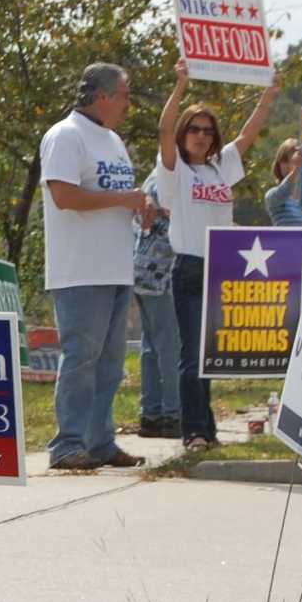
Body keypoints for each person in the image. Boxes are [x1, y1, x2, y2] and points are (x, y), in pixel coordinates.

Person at [156, 60, 280, 451]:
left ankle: (206, 430)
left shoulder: (219, 168)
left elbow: (248, 133)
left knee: (209, 357)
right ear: (184, 133)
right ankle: (192, 431)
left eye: (207, 131)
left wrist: (268, 94)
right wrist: (179, 85)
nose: (201, 135)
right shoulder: (175, 169)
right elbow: (163, 130)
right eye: (194, 128)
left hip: (223, 268)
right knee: (192, 356)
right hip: (190, 267)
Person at [39, 63, 157, 470]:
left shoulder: (113, 141)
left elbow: (114, 196)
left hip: (115, 268)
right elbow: (65, 197)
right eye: (125, 94)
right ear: (103, 96)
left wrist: (139, 209)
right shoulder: (66, 136)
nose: (128, 103)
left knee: (109, 366)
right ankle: (67, 444)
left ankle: (101, 442)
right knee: (81, 359)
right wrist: (123, 200)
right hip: (80, 271)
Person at [132, 169, 180, 439]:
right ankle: (173, 414)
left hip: (144, 268)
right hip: (163, 271)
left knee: (151, 345)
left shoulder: (155, 177)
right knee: (170, 345)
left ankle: (150, 413)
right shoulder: (170, 179)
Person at [263, 137, 302, 237]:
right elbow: (284, 191)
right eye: (285, 160)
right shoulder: (272, 196)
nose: (290, 164)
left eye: (296, 160)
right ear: (278, 165)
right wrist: (296, 169)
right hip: (291, 252)